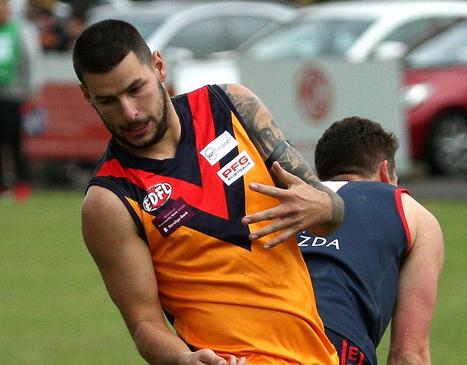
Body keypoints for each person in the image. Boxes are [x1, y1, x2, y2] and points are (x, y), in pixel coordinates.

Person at [74, 19, 345, 365]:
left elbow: (331, 212)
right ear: (87, 96)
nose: (130, 112)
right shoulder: (109, 200)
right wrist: (184, 360)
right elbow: (144, 324)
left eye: (135, 89)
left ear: (158, 66)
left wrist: (323, 206)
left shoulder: (231, 105)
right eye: (108, 101)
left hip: (318, 356)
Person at [299, 116, 445, 365]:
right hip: (334, 348)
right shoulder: (408, 209)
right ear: (385, 172)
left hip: (255, 341)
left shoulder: (288, 202)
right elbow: (408, 355)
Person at [0, 0, 43, 201]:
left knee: (13, 142)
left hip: (12, 95)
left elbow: (30, 61)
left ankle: (22, 182)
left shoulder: (19, 30)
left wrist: (32, 91)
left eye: (3, 7)